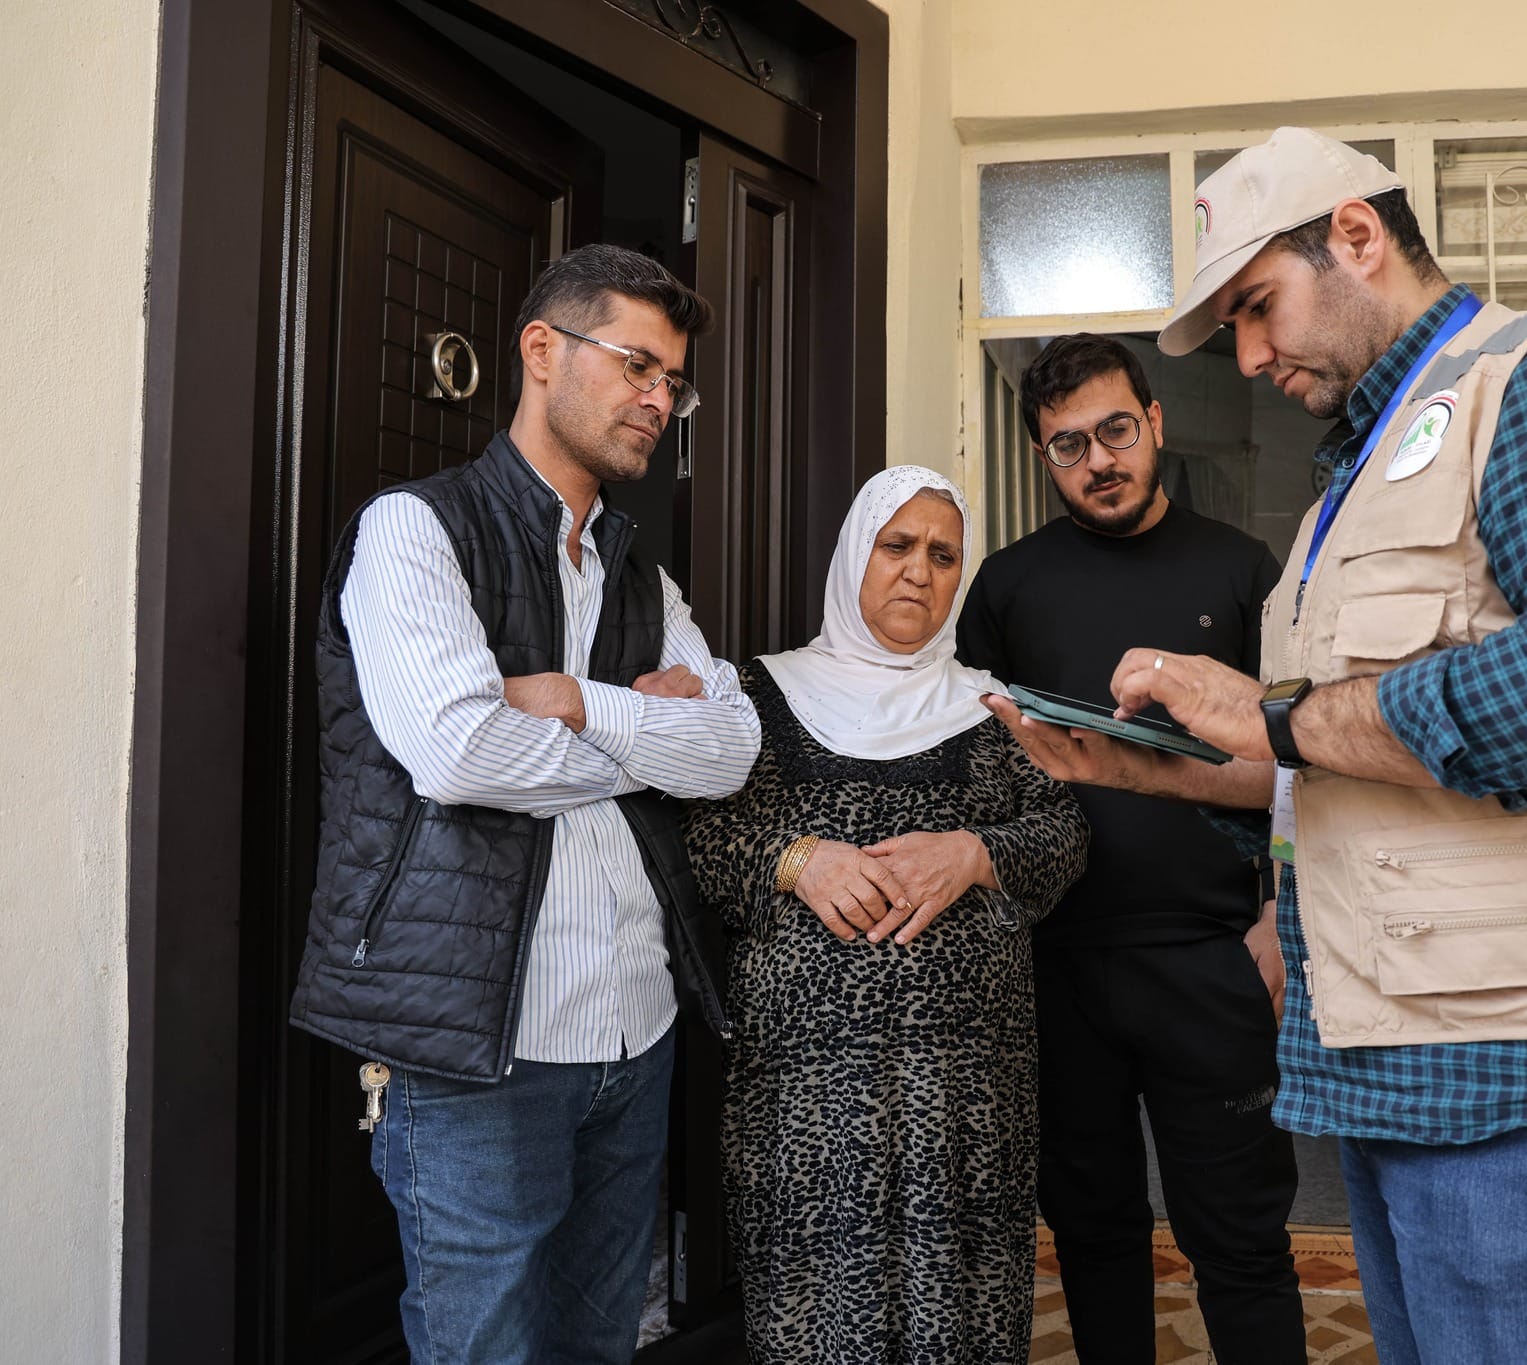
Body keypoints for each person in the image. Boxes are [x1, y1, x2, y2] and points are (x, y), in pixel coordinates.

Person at [986, 127, 1527, 1365]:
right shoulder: (1349, 486)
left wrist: (1272, 717)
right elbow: (1344, 758)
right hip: (1415, 1073)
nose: (1250, 357)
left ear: (1356, 237)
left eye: (1258, 308)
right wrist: (1153, 767)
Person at [290, 243, 761, 1363]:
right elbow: (456, 752)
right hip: (473, 1050)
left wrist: (567, 704)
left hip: (633, 1033)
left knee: (600, 1345)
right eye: (637, 365)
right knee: (483, 1350)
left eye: (673, 382)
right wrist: (646, 730)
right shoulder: (415, 530)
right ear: (541, 351)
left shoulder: (646, 582)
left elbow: (734, 750)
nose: (660, 399)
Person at [683, 465, 1089, 1365]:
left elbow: (1063, 834)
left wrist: (975, 852)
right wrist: (798, 860)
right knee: (821, 1314)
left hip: (966, 1096)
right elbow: (702, 843)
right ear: (852, 556)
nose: (919, 571)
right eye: (896, 545)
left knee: (961, 1307)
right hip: (806, 1091)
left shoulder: (990, 706)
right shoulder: (756, 695)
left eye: (944, 555)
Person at [954, 334, 1304, 1363]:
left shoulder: (1240, 569)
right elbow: (978, 764)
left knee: (1238, 1242)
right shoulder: (1007, 588)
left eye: (1114, 431)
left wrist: (1283, 913)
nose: (1096, 460)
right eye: (1067, 446)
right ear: (1041, 456)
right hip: (1054, 966)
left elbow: (1303, 757)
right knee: (1093, 1237)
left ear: (1152, 426)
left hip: (1211, 957)